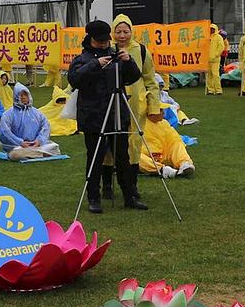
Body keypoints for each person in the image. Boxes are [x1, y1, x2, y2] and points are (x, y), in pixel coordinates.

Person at [68, 20, 147, 214]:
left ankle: (129, 196)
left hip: (117, 114)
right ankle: (94, 197)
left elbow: (133, 77)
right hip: (93, 116)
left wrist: (129, 62)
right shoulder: (83, 58)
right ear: (91, 39)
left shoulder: (116, 55)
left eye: (106, 40)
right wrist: (96, 64)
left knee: (123, 157)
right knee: (95, 158)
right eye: (100, 41)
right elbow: (74, 79)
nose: (105, 44)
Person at [105, 14, 160, 201]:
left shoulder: (142, 51)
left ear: (131, 31)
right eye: (118, 31)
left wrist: (154, 106)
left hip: (136, 104)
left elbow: (151, 81)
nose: (122, 35)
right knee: (109, 144)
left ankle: (132, 187)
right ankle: (106, 186)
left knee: (134, 144)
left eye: (125, 31)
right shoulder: (107, 50)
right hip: (111, 104)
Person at [0, 83, 61, 160]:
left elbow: (45, 127)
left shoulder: (37, 113)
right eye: (21, 95)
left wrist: (39, 140)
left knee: (54, 148)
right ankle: (39, 153)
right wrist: (20, 142)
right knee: (15, 155)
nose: (24, 97)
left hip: (36, 144)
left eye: (25, 95)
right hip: (17, 146)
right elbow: (4, 132)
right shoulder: (8, 114)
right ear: (16, 97)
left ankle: (33, 153)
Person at [139, 111, 196, 179]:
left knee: (177, 143)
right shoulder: (137, 123)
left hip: (161, 155)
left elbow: (174, 138)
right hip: (145, 156)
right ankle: (162, 169)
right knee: (133, 155)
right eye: (160, 110)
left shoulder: (164, 123)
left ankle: (184, 163)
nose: (163, 113)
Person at [206, 24, 226, 95]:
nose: (211, 30)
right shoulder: (207, 37)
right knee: (209, 76)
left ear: (215, 29)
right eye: (210, 29)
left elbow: (221, 47)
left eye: (213, 29)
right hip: (207, 60)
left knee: (215, 75)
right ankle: (210, 90)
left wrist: (216, 55)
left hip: (215, 60)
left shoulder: (218, 37)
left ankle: (218, 90)